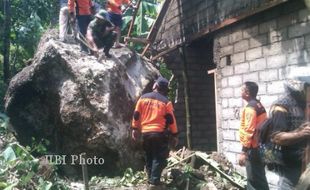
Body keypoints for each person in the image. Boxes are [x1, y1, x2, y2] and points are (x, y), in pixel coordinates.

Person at [131, 76, 178, 189]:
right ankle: (154, 182)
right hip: (159, 133)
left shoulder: (143, 98)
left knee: (149, 155)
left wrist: (134, 129)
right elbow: (171, 120)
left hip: (146, 133)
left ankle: (150, 178)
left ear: (155, 86)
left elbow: (136, 115)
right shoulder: (166, 102)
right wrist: (175, 135)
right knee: (159, 156)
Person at [267, 72, 310, 189]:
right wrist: (302, 133)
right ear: (299, 86)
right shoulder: (282, 106)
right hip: (290, 166)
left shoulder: (304, 103)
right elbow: (277, 137)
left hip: (305, 163)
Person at [238, 81, 269, 190]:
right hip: (260, 147)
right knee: (259, 178)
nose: (240, 92)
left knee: (253, 181)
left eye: (242, 90)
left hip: (253, 149)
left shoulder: (250, 108)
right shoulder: (259, 105)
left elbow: (249, 130)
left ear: (247, 93)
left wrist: (244, 152)